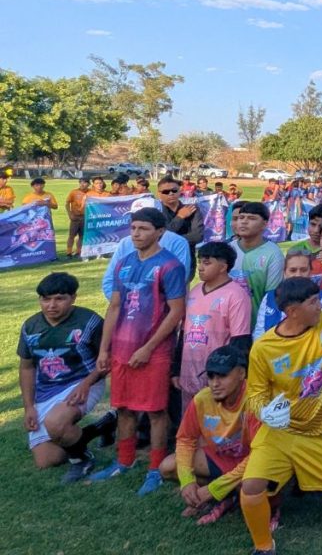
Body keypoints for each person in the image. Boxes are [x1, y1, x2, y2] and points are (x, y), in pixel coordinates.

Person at [240, 278, 322, 555]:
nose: (320, 306)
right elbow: (254, 393)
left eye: (319, 299)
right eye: (313, 302)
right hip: (281, 433)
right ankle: (264, 546)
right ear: (291, 311)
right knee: (251, 486)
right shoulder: (264, 347)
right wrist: (263, 411)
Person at [90, 208, 187, 496]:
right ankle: (124, 460)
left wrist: (148, 347)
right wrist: (105, 348)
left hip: (153, 351)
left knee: (155, 411)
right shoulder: (124, 263)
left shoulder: (170, 266)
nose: (136, 234)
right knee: (123, 408)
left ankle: (155, 468)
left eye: (143, 228)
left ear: (159, 232)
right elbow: (115, 306)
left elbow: (176, 312)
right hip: (121, 348)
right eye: (133, 228)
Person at [18, 272, 116, 481]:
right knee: (47, 460)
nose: (51, 305)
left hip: (84, 382)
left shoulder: (89, 321)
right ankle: (103, 425)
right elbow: (26, 367)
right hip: (45, 391)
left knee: (56, 423)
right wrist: (29, 407)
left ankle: (82, 460)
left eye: (59, 298)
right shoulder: (30, 326)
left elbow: (107, 361)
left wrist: (86, 385)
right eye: (46, 299)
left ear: (73, 298)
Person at [159, 346, 261, 524]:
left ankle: (267, 508)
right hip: (222, 459)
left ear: (241, 373)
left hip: (253, 463)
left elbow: (259, 455)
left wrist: (213, 489)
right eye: (211, 376)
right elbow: (185, 440)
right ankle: (224, 498)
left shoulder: (255, 400)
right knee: (168, 467)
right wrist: (187, 481)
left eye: (222, 376)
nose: (214, 383)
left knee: (251, 485)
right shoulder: (202, 399)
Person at [175, 242, 252, 407]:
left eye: (207, 263)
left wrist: (231, 376)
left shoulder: (236, 295)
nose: (200, 267)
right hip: (189, 373)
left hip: (218, 377)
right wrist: (175, 369)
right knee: (190, 425)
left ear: (223, 267)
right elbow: (184, 333)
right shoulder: (194, 291)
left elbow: (240, 340)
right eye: (200, 261)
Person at [229, 202, 285, 327]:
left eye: (252, 218)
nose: (243, 222)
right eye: (241, 217)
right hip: (226, 324)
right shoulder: (228, 249)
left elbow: (271, 297)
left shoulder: (273, 254)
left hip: (255, 325)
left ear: (265, 224)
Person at [101, 230, 191, 300]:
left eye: (143, 227)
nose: (136, 233)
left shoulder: (177, 242)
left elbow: (177, 282)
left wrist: (145, 304)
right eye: (134, 226)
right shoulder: (125, 243)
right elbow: (109, 281)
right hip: (126, 311)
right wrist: (126, 305)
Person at [157, 176, 205, 281]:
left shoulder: (192, 210)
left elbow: (198, 236)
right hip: (160, 259)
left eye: (174, 190)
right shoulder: (156, 212)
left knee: (183, 294)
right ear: (159, 194)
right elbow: (159, 237)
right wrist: (180, 217)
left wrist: (169, 238)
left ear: (180, 191)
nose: (171, 193)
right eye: (166, 191)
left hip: (186, 258)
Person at [65, 177, 90, 258]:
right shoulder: (74, 192)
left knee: (82, 236)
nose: (83, 184)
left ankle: (78, 251)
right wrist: (70, 214)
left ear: (88, 184)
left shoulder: (90, 192)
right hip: (75, 217)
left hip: (85, 217)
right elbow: (67, 203)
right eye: (81, 182)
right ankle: (69, 252)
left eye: (85, 182)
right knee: (71, 235)